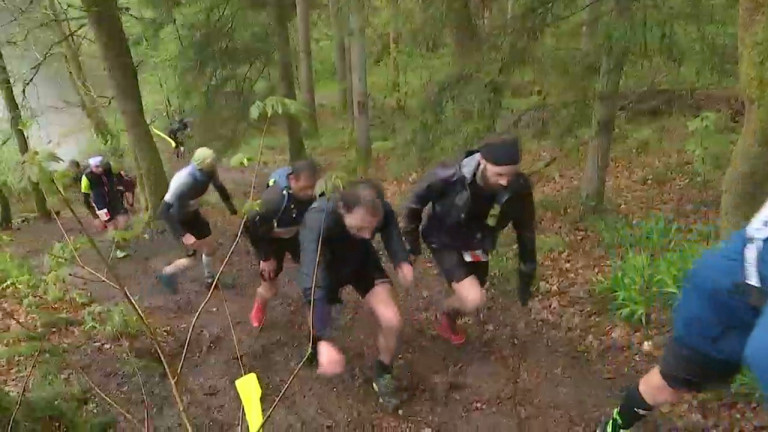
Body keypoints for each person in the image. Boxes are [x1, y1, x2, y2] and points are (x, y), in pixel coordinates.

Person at [597, 199, 768, 431]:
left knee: (665, 384)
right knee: (666, 384)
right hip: (725, 301)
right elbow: (761, 351)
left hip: (723, 282)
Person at [402, 135, 537, 345]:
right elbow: (414, 204)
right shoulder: (450, 174)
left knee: (477, 288)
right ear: (482, 160)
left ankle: (448, 313)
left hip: (477, 240)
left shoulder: (518, 188)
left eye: (511, 174)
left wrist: (527, 271)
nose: (505, 182)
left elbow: (526, 229)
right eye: (499, 174)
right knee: (474, 298)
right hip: (443, 236)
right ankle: (445, 314)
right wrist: (411, 245)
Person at [298, 180, 413, 408]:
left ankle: (383, 373)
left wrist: (401, 260)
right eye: (360, 228)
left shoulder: (378, 210)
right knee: (319, 317)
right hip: (326, 269)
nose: (368, 235)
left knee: (392, 320)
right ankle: (315, 343)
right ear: (343, 209)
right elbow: (312, 276)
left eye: (372, 229)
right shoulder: (317, 220)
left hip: (362, 263)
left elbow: (389, 227)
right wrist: (323, 338)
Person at [245, 159, 321, 328]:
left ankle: (316, 312)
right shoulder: (274, 200)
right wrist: (265, 257)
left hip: (296, 235)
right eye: (305, 188)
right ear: (293, 180)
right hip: (271, 240)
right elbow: (251, 227)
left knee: (316, 272)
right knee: (270, 286)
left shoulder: (316, 195)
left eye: (312, 187)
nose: (309, 192)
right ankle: (259, 305)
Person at [157, 147, 238, 293]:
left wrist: (232, 209)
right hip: (179, 219)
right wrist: (183, 234)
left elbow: (220, 187)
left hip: (193, 214)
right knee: (191, 259)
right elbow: (163, 211)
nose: (212, 169)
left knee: (210, 247)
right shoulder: (182, 180)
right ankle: (166, 273)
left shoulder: (209, 172)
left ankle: (210, 280)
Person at [81, 156, 131, 258]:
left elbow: (120, 178)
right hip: (101, 205)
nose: (100, 169)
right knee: (112, 226)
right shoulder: (87, 177)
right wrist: (95, 217)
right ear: (92, 167)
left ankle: (122, 239)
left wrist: (122, 186)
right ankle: (118, 249)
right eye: (97, 167)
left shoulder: (109, 169)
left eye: (101, 166)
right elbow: (85, 198)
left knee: (123, 220)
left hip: (115, 200)